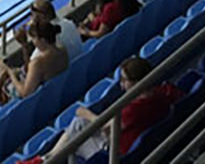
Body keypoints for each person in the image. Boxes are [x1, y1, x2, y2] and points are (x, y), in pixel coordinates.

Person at [45, 56, 183, 162]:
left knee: (74, 136)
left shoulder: (134, 109)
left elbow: (105, 127)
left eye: (124, 80)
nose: (121, 85)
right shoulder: (160, 93)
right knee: (78, 123)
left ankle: (46, 160)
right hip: (137, 142)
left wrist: (85, 112)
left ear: (136, 82)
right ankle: (46, 158)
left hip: (116, 153)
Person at [0, 20, 67, 122]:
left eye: (34, 39)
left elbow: (25, 93)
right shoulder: (62, 50)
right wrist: (24, 47)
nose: (33, 42)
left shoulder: (38, 62)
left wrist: (10, 73)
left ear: (42, 40)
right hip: (47, 92)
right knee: (0, 66)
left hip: (30, 100)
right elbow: (32, 72)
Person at [16, 0, 82, 60]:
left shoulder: (44, 44)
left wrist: (24, 45)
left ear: (41, 16)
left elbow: (29, 69)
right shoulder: (69, 23)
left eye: (33, 14)